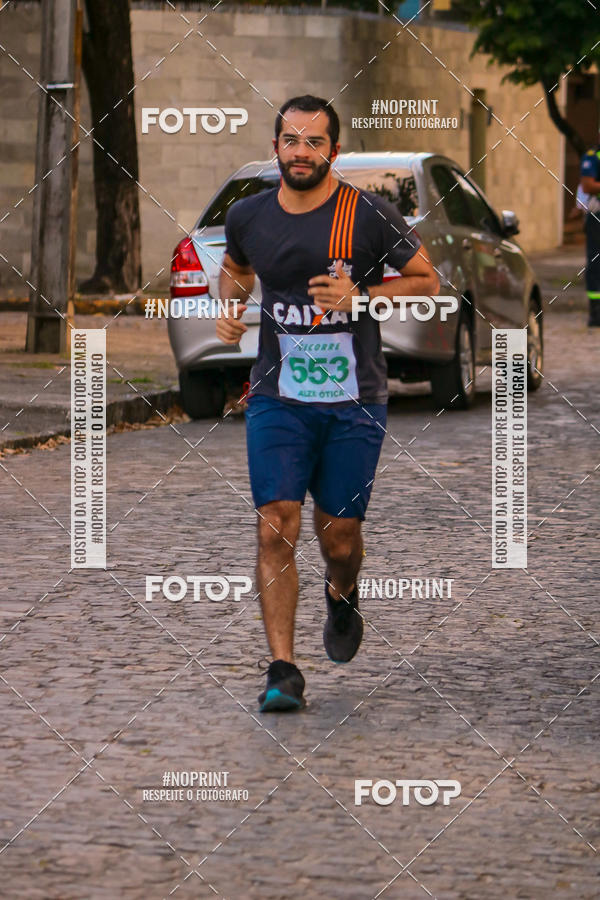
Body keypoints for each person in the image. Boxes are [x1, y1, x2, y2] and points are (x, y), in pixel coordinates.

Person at [216, 95, 439, 711]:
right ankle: (282, 670)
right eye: (292, 141)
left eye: (315, 143)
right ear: (275, 148)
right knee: (275, 524)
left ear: (333, 151)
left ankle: (342, 594)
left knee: (338, 537)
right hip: (277, 398)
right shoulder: (249, 215)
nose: (302, 153)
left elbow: (427, 279)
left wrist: (361, 296)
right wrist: (229, 307)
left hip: (352, 401)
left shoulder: (366, 213)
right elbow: (235, 270)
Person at [580, 136, 600, 327]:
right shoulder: (593, 156)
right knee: (596, 261)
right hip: (598, 216)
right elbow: (587, 185)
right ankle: (596, 312)